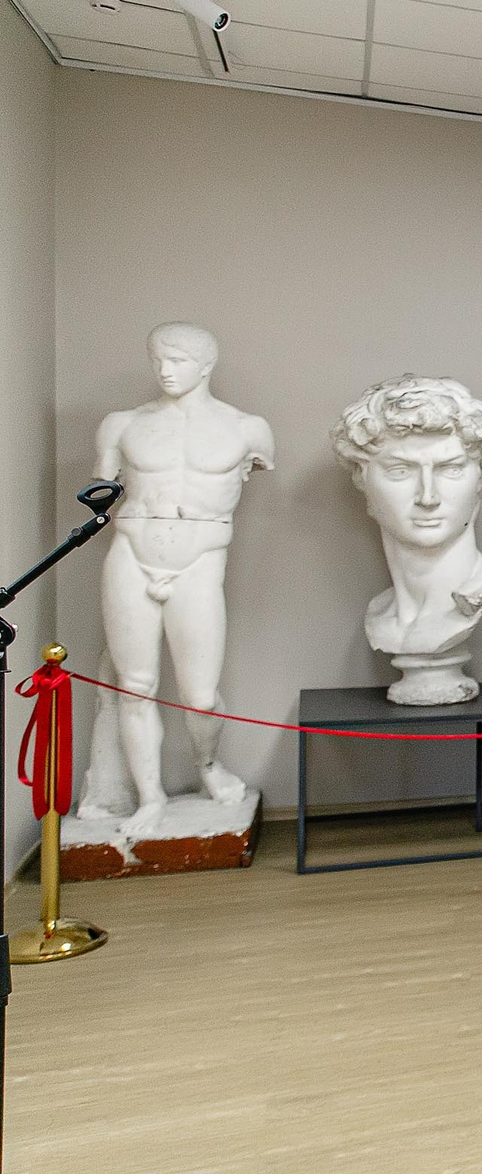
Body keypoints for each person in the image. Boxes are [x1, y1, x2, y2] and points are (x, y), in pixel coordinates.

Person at [81, 323, 274, 834]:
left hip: (200, 560)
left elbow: (257, 467)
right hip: (131, 553)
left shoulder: (247, 429)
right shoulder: (122, 424)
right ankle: (151, 798)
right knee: (135, 687)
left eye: (178, 361)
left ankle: (208, 765)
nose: (165, 371)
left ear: (207, 365)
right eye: (158, 360)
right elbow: (103, 484)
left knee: (201, 696)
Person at [330, 375, 482, 704]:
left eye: (450, 469)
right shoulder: (382, 613)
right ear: (362, 478)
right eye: (400, 471)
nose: (428, 497)